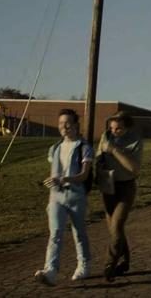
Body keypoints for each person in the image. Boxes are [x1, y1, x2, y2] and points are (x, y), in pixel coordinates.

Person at [33, 108, 94, 286]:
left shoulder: (85, 148)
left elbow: (83, 175)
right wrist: (53, 180)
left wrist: (63, 179)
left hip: (76, 196)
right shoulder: (55, 148)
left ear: (76, 125)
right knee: (56, 233)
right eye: (61, 123)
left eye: (68, 123)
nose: (64, 127)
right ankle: (50, 270)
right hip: (56, 197)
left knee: (79, 233)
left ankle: (83, 264)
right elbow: (54, 169)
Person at [96, 111, 144, 282]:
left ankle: (110, 264)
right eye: (112, 128)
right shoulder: (106, 135)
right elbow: (98, 154)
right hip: (108, 185)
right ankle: (125, 261)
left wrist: (114, 150)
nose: (114, 131)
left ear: (127, 127)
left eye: (118, 129)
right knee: (114, 230)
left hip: (126, 187)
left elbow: (134, 169)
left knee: (116, 226)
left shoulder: (136, 141)